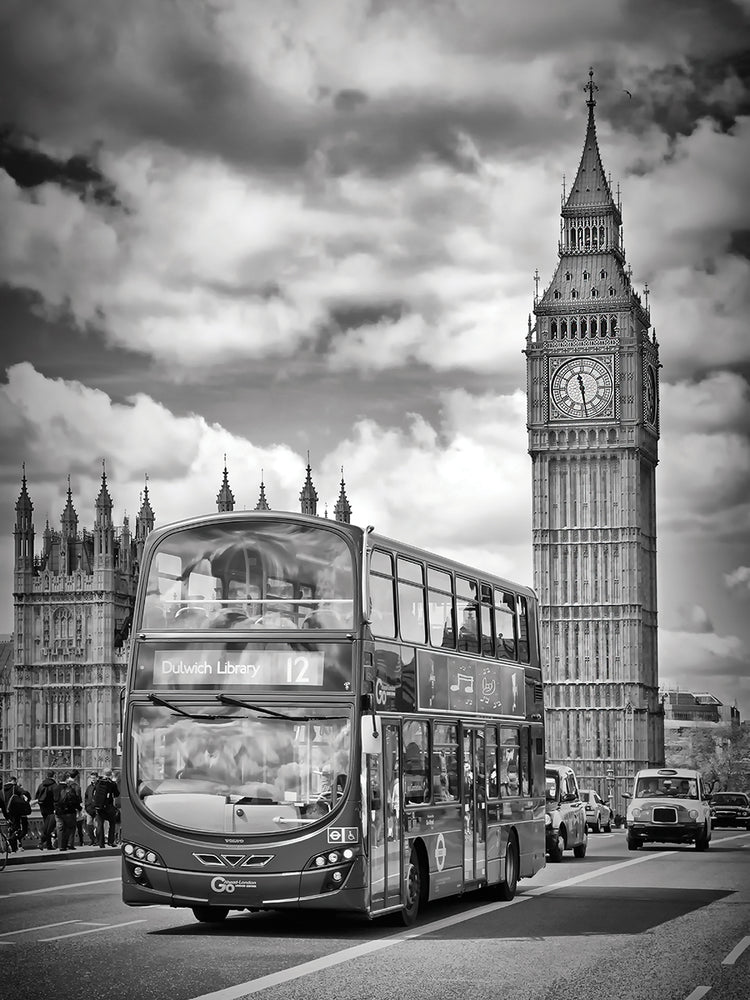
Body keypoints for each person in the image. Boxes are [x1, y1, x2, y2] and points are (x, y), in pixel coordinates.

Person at [1, 776, 32, 852]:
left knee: (12, 828)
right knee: (17, 829)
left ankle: (14, 847)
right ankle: (11, 840)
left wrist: (6, 816)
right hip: (16, 811)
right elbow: (24, 792)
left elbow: (2, 804)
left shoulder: (2, 790)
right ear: (13, 781)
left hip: (7, 812)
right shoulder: (15, 787)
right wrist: (26, 798)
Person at [54, 775, 82, 851]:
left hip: (59, 812)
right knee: (70, 828)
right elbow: (75, 800)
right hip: (69, 812)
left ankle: (61, 846)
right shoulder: (70, 789)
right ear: (66, 780)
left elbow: (53, 800)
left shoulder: (55, 788)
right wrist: (79, 809)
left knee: (60, 829)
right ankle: (69, 844)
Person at [93, 769, 120, 848]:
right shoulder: (112, 783)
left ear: (103, 773)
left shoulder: (98, 782)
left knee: (100, 824)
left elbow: (94, 793)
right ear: (111, 774)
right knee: (112, 823)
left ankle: (101, 843)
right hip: (109, 807)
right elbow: (116, 794)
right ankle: (111, 841)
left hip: (99, 807)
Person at [35, 769, 58, 850]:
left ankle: (48, 844)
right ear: (54, 776)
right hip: (51, 808)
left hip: (43, 808)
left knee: (47, 824)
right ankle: (42, 841)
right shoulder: (55, 786)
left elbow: (37, 796)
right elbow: (56, 798)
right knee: (50, 827)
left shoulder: (41, 785)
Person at [83, 772, 99, 845]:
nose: (92, 780)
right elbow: (86, 797)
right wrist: (86, 806)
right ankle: (92, 839)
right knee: (89, 824)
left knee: (97, 825)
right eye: (91, 778)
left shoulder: (99, 786)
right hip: (89, 809)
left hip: (97, 809)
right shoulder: (89, 787)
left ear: (97, 778)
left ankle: (98, 840)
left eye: (94, 778)